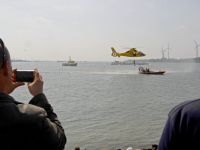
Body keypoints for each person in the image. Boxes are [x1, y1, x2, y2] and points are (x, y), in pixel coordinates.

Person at [0, 38, 66, 150]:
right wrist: (39, 96)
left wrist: (3, 92)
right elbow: (59, 141)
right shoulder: (33, 117)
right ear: (6, 68)